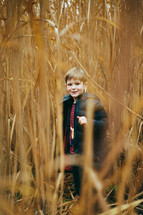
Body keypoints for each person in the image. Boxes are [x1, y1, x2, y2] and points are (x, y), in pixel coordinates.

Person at [63, 67, 108, 195]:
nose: (74, 88)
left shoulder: (91, 101)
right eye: (70, 84)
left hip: (89, 154)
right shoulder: (67, 103)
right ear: (66, 86)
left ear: (85, 85)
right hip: (74, 152)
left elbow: (105, 124)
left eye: (77, 84)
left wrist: (89, 123)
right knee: (79, 186)